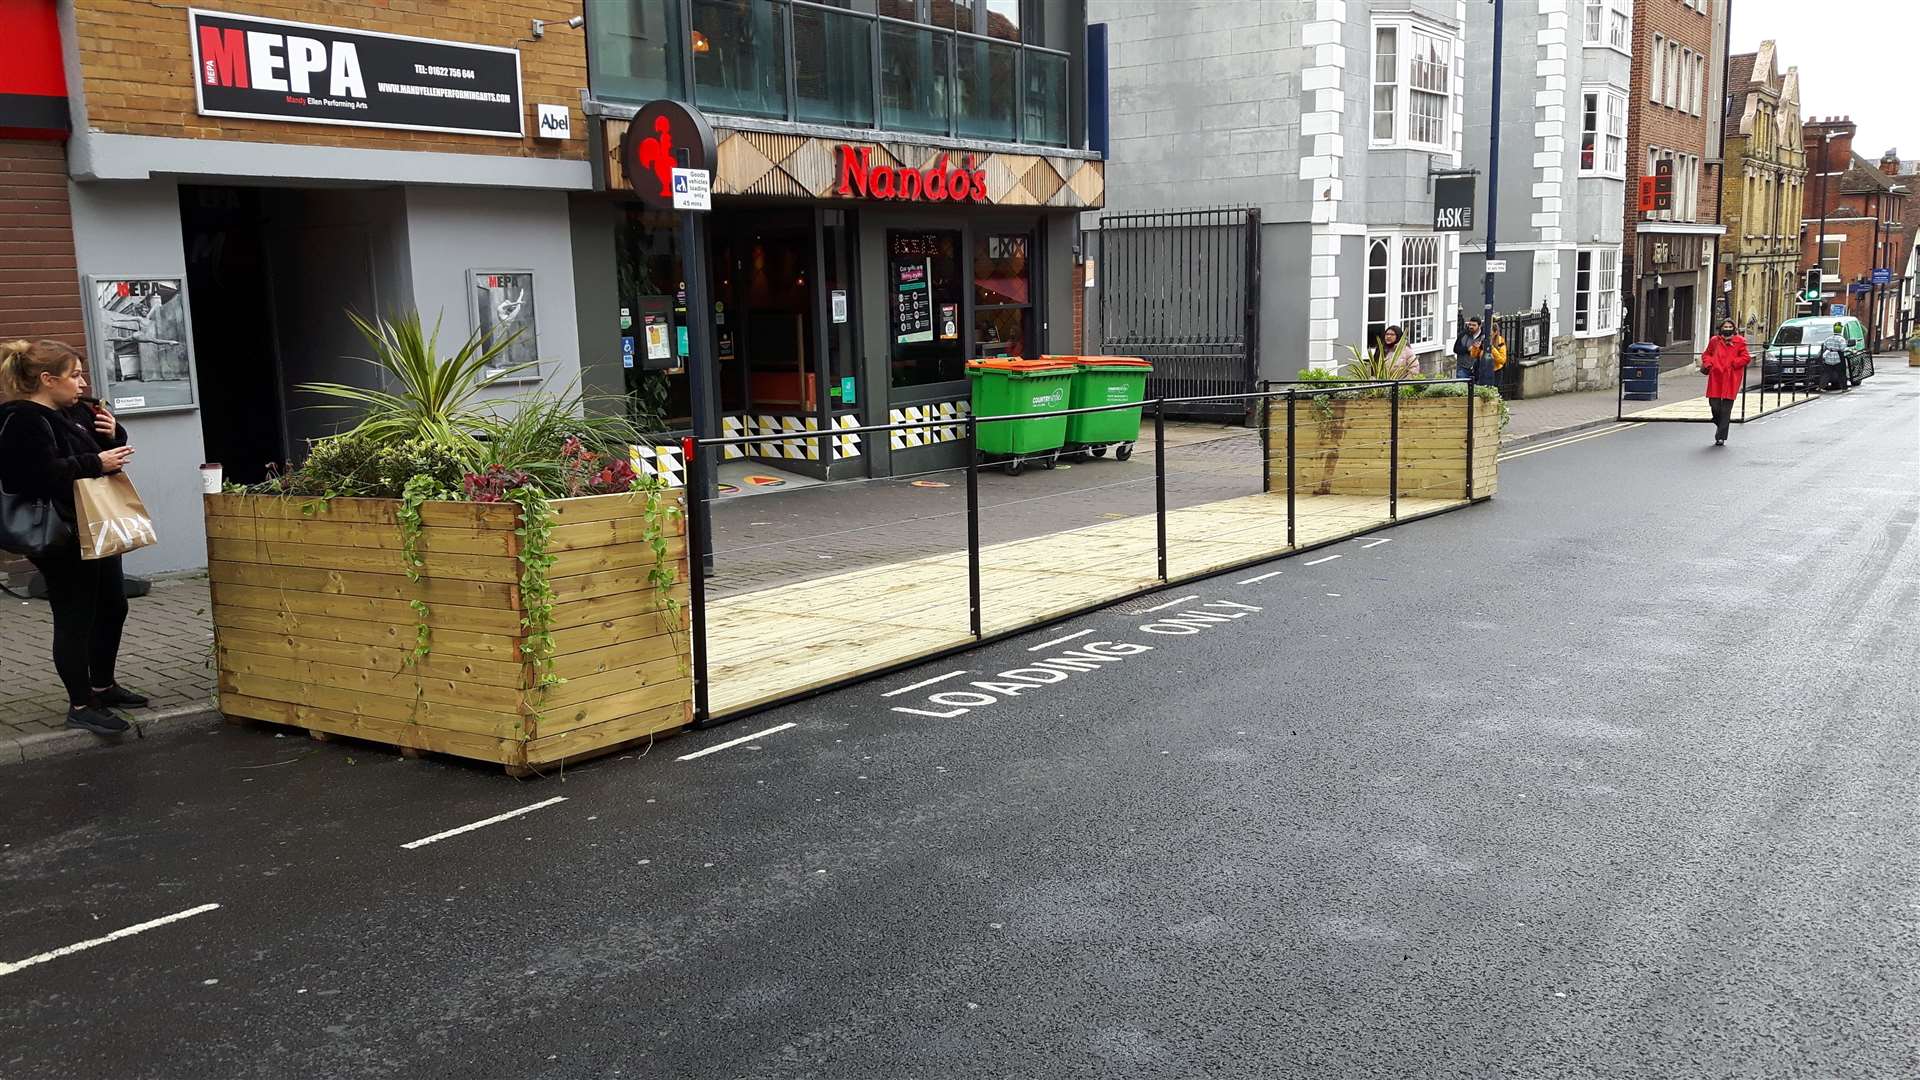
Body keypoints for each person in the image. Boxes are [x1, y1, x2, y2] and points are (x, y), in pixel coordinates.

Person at [0, 340, 144, 736]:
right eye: (74, 374)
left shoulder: (77, 411)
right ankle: (81, 704)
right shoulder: (22, 420)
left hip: (95, 524)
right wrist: (94, 463)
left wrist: (115, 433)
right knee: (75, 617)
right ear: (47, 380)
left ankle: (104, 685)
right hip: (61, 533)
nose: (82, 383)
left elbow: (104, 452)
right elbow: (28, 477)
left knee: (112, 605)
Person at [1698, 318, 1751, 447]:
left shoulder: (1740, 341)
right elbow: (1707, 354)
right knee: (1714, 405)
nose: (1727, 329)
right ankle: (1719, 421)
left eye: (1729, 327)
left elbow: (1746, 357)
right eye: (1725, 327)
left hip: (1731, 377)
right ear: (1721, 328)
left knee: (1726, 409)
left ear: (1734, 328)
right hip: (1716, 376)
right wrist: (1709, 364)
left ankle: (1720, 437)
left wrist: (1734, 364)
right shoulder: (1714, 341)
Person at [1817, 321, 1851, 391]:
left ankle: (1820, 387)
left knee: (1826, 373)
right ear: (1840, 331)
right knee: (1841, 373)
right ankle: (1844, 388)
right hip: (1838, 358)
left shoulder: (1828, 338)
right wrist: (1850, 350)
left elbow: (1825, 346)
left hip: (1828, 357)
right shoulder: (1841, 339)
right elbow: (1842, 349)